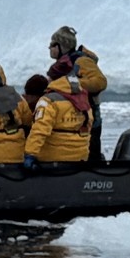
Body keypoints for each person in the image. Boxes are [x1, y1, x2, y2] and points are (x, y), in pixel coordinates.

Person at [48, 26, 108, 161]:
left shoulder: (81, 61)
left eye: (52, 45)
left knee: (91, 157)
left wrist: (72, 84)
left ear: (62, 45)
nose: (49, 48)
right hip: (70, 120)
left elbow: (100, 82)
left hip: (89, 120)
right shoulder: (61, 66)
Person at [25, 59, 94, 165]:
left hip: (52, 159)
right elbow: (89, 124)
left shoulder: (48, 101)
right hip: (80, 157)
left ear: (55, 79)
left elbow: (40, 129)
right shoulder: (83, 100)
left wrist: (30, 153)